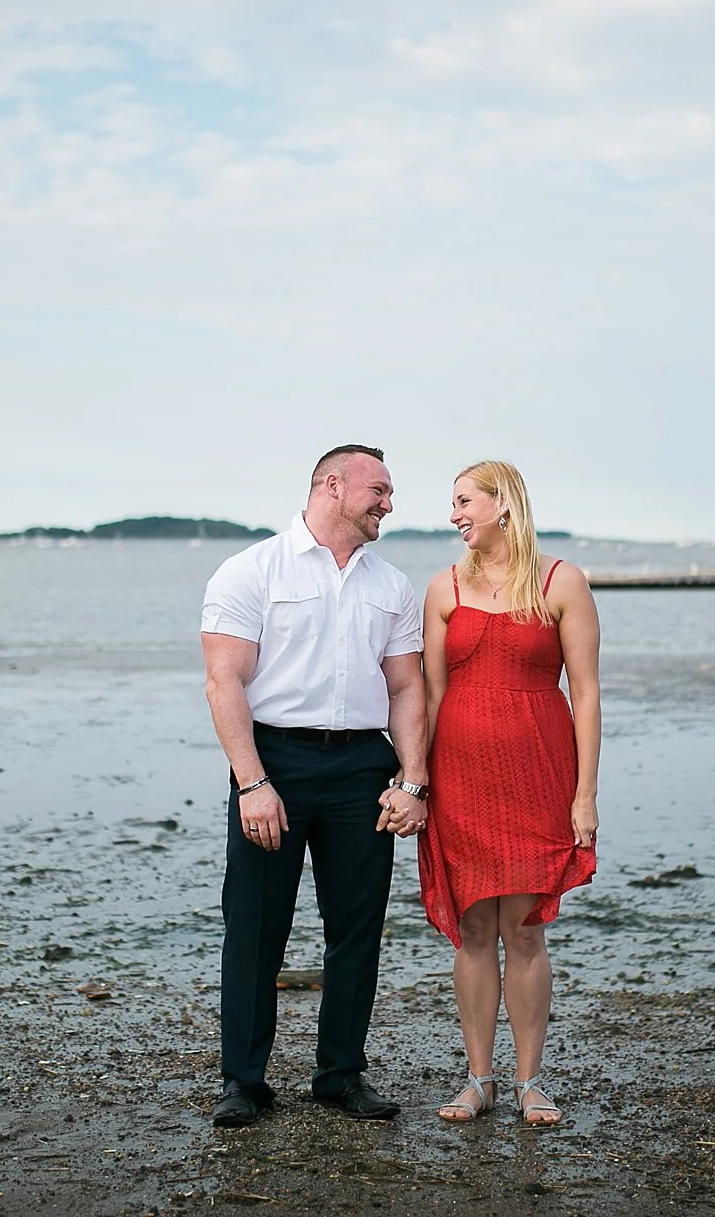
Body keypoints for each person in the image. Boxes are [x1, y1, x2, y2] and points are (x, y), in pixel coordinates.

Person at [200, 444, 433, 1128]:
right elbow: (224, 682)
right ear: (333, 485)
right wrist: (253, 782)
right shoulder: (251, 570)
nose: (389, 502)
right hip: (274, 760)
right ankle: (243, 1080)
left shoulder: (391, 585)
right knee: (254, 926)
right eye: (380, 489)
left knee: (357, 928)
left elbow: (407, 686)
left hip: (363, 765)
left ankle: (340, 1074)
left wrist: (413, 782)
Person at [417, 459, 600, 1126]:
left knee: (523, 930)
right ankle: (478, 1078)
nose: (455, 513)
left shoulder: (561, 581)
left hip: (536, 777)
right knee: (471, 930)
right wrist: (414, 781)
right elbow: (429, 695)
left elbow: (585, 693)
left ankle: (530, 1081)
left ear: (503, 503)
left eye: (464, 500)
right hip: (458, 779)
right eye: (454, 502)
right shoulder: (442, 588)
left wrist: (585, 793)